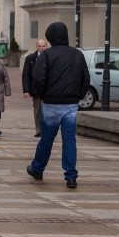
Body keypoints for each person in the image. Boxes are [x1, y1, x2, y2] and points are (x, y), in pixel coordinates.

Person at [28, 22, 89, 189]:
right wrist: (79, 96)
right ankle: (71, 176)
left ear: (51, 37)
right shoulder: (77, 54)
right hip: (71, 104)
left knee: (46, 140)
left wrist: (42, 95)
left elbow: (38, 78)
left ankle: (37, 168)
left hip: (51, 104)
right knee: (70, 141)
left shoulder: (47, 55)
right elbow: (86, 79)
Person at [22, 39, 47, 137]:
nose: (42, 48)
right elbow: (26, 75)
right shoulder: (30, 58)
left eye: (43, 46)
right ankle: (38, 129)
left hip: (47, 90)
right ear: (37, 47)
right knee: (37, 111)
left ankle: (46, 129)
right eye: (40, 46)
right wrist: (26, 90)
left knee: (47, 111)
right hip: (36, 90)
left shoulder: (50, 57)